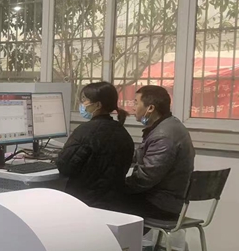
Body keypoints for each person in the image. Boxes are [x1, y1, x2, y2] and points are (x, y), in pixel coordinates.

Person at [56, 82, 135, 210]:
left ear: (98, 105)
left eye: (85, 100)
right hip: (113, 203)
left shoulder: (86, 131)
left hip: (84, 202)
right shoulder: (122, 131)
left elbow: (64, 166)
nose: (82, 104)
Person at [122, 85, 195, 221]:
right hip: (164, 200)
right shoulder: (169, 125)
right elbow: (142, 156)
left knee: (104, 201)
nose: (133, 108)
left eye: (136, 103)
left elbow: (145, 178)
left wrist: (116, 185)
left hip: (160, 205)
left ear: (150, 108)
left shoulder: (163, 136)